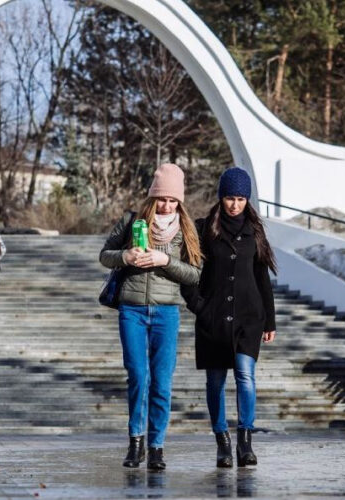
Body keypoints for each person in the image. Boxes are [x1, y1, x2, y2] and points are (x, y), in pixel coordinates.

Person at [99, 163, 202, 471]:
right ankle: (136, 443)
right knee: (137, 376)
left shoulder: (185, 229)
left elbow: (195, 274)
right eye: (162, 199)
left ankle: (157, 447)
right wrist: (126, 256)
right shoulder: (132, 222)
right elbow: (104, 254)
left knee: (161, 383)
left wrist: (165, 260)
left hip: (167, 312)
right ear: (152, 197)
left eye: (173, 200)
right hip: (131, 309)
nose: (167, 205)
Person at [181, 167, 277, 468]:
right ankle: (222, 442)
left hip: (249, 317)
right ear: (221, 197)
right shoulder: (204, 229)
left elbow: (262, 277)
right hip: (214, 318)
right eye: (229, 198)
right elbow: (188, 272)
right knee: (216, 381)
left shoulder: (255, 232)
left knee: (246, 377)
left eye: (240, 198)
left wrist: (270, 320)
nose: (234, 204)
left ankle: (245, 442)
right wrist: (198, 305)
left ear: (246, 200)